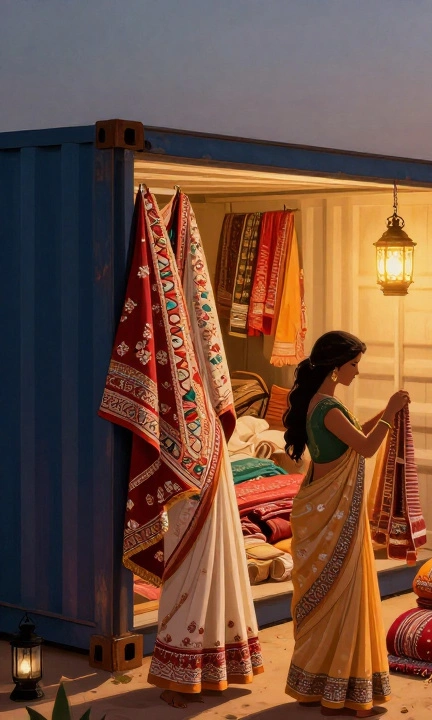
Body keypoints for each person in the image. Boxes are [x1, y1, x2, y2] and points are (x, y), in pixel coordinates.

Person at [100, 187, 263, 708]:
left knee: (195, 562)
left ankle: (186, 672)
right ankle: (212, 668)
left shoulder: (170, 284)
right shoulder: (178, 271)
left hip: (195, 452)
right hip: (202, 442)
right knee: (201, 560)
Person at [282, 331, 409, 717]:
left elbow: (354, 437)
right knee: (344, 595)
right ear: (336, 368)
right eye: (354, 364)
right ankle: (345, 692)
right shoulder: (328, 409)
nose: (358, 371)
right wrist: (388, 412)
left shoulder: (322, 404)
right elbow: (367, 447)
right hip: (333, 517)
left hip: (322, 509)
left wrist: (386, 416)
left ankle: (316, 685)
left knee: (329, 597)